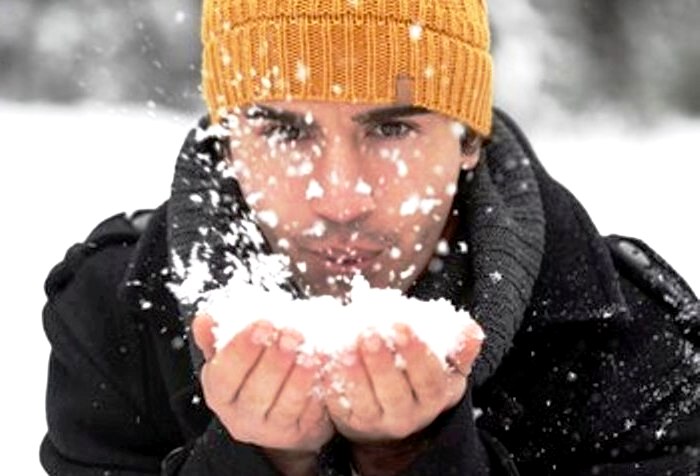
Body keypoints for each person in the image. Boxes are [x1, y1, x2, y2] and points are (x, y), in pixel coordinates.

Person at [40, 0, 700, 475]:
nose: (341, 199)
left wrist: (419, 457)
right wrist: (257, 461)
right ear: (228, 142)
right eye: (284, 130)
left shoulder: (627, 342)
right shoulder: (115, 318)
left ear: (468, 139)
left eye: (392, 129)